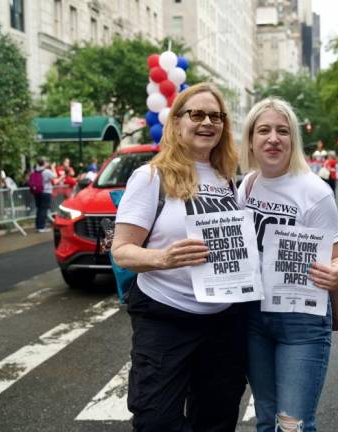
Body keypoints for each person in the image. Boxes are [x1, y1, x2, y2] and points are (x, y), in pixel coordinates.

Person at [111, 83, 247, 432]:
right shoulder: (150, 177)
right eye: (197, 114)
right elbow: (121, 250)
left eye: (216, 116)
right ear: (176, 122)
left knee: (217, 420)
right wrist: (163, 258)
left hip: (222, 323)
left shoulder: (228, 180)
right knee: (156, 421)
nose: (207, 122)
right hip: (165, 320)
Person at [238, 98, 338, 432]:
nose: (273, 138)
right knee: (265, 418)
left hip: (302, 321)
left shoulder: (314, 191)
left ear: (293, 140)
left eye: (282, 131)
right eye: (264, 130)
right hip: (254, 317)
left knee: (292, 425)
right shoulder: (246, 186)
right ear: (250, 139)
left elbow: (337, 257)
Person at [33, 158, 60, 232]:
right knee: (43, 209)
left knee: (39, 209)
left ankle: (38, 226)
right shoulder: (46, 171)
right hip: (46, 192)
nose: (48, 163)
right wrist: (53, 168)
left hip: (37, 192)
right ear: (44, 163)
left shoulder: (36, 170)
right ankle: (41, 227)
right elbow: (55, 176)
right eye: (47, 162)